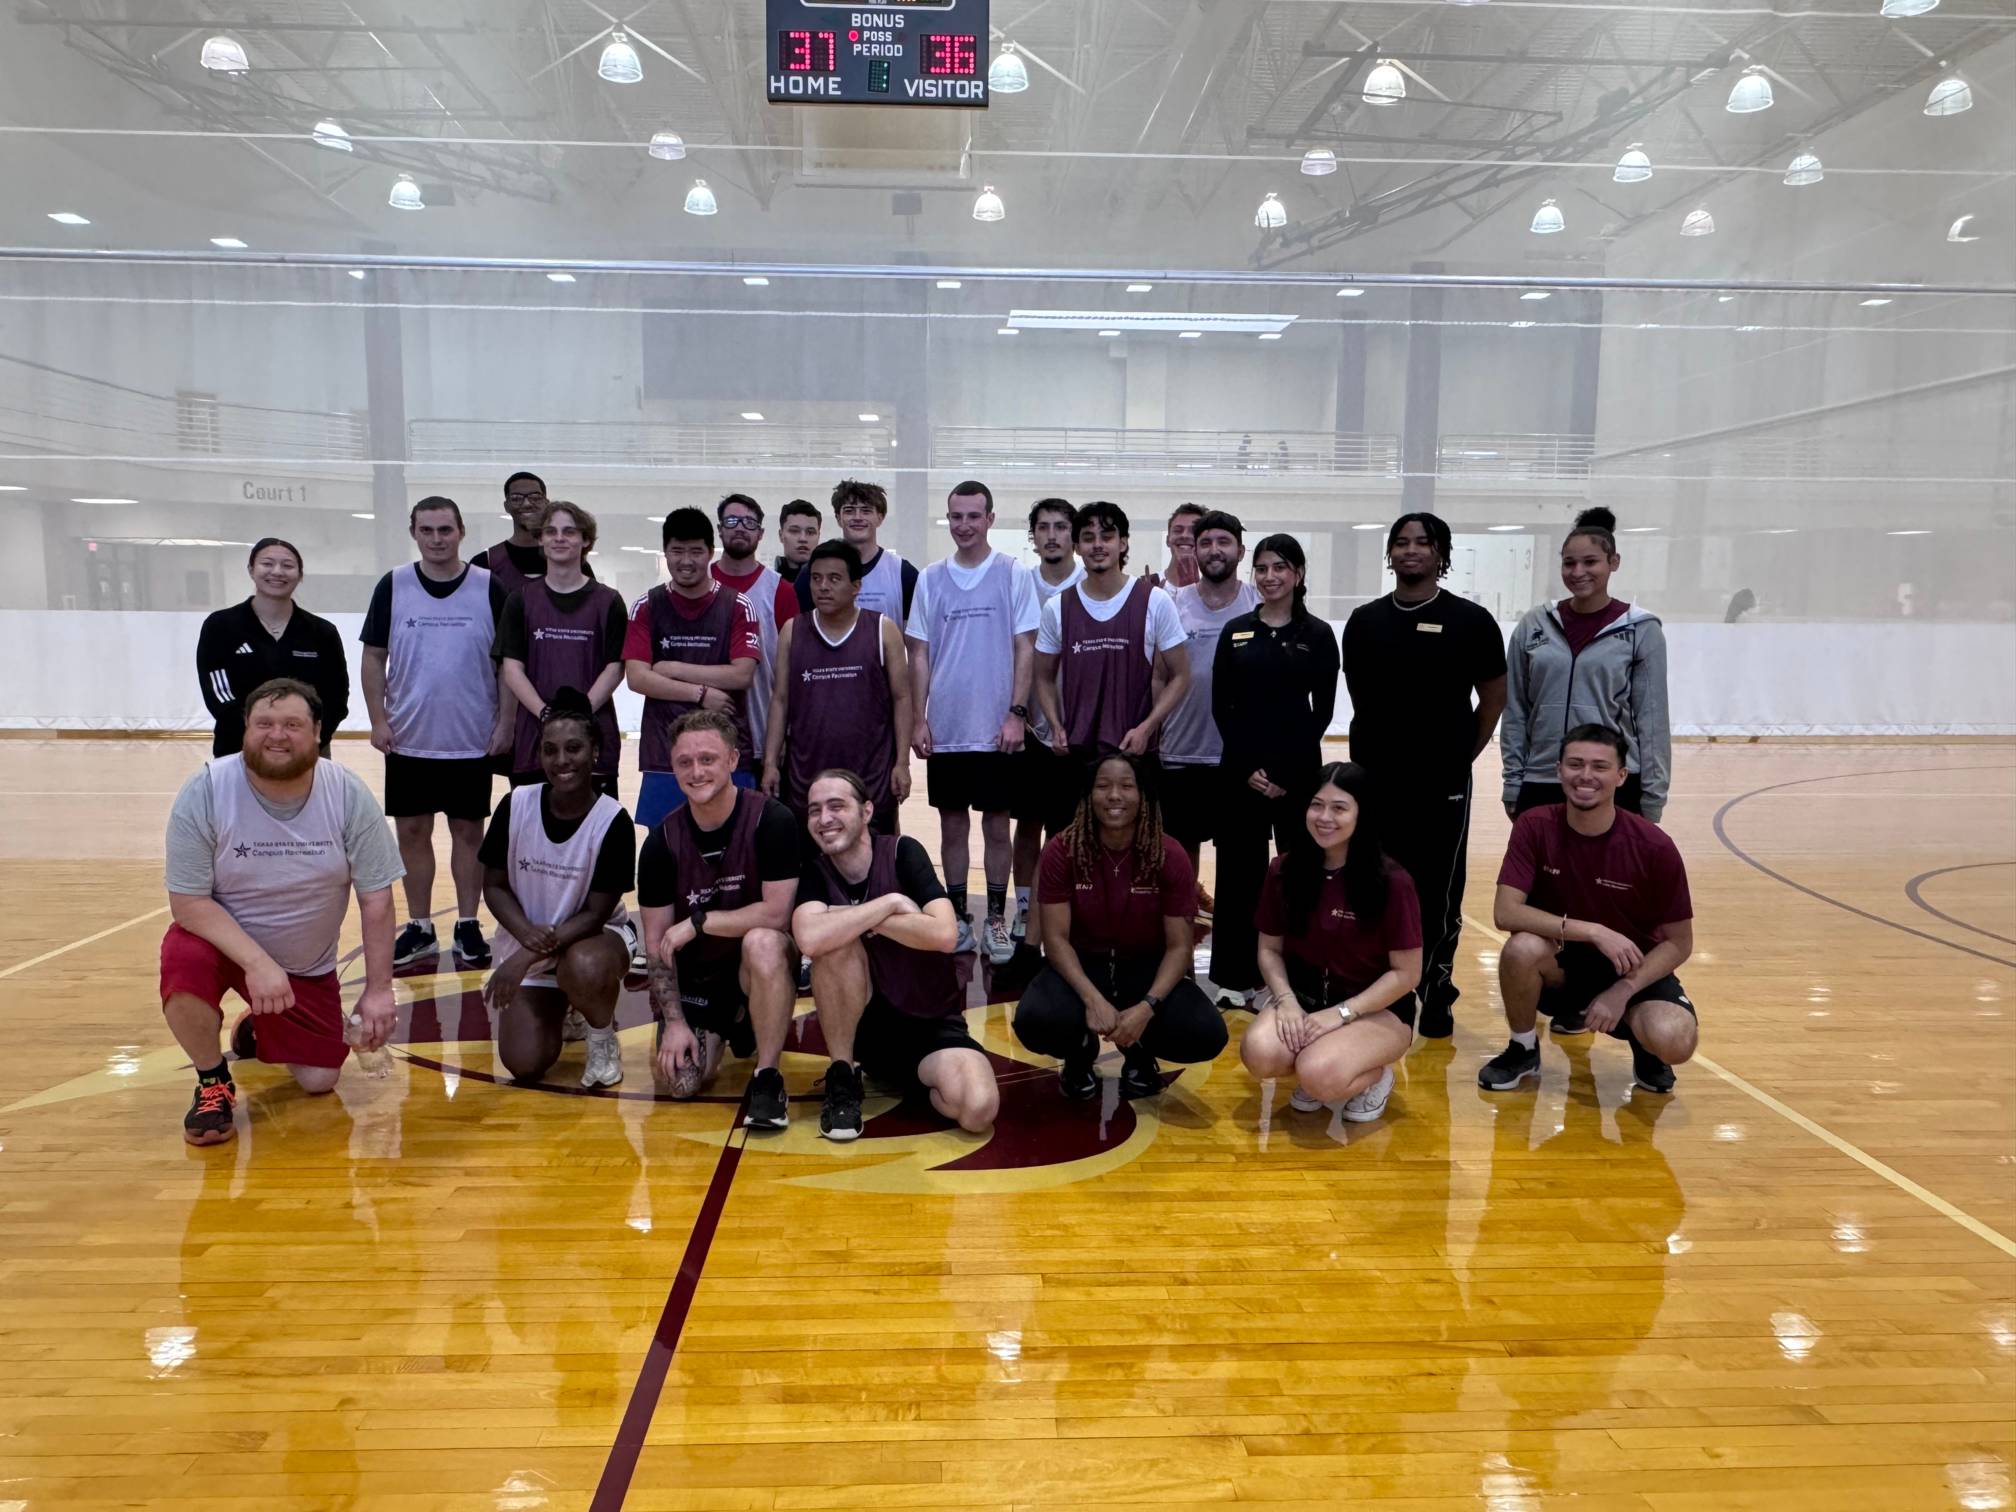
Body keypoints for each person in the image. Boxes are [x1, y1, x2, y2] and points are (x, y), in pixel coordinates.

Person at [160, 678, 402, 1146]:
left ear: (317, 732)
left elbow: (376, 898)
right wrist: (257, 963)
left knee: (319, 1079)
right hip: (225, 947)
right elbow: (188, 903)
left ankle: (259, 1023)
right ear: (245, 729)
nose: (277, 735)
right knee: (183, 956)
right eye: (264, 724)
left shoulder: (347, 793)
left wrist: (378, 991)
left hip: (302, 965)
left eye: (292, 724)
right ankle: (212, 1081)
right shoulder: (208, 790)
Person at [1342, 511, 1508, 1038]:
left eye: (1423, 542)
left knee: (1438, 892)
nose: (1410, 550)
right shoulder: (1364, 622)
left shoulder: (1471, 621)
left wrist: (1461, 756)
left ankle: (1436, 989)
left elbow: (1494, 697)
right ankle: (1382, 989)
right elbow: (1361, 697)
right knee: (1374, 884)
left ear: (1441, 554)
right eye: (1401, 542)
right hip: (1376, 783)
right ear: (1390, 553)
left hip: (1442, 786)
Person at [1479, 724, 1699, 1096]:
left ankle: (1645, 1045)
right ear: (1558, 770)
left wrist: (1624, 990)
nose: (1585, 776)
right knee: (1521, 948)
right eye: (1575, 764)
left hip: (1631, 966)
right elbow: (1506, 913)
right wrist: (1594, 931)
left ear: (1621, 775)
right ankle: (1523, 1049)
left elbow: (1679, 943)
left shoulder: (1654, 846)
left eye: (1600, 766)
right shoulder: (1534, 826)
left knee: (1675, 1040)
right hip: (1562, 964)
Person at [794, 769, 997, 1141]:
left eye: (836, 806)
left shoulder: (903, 852)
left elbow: (944, 933)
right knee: (835, 947)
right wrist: (888, 904)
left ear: (867, 811)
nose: (824, 819)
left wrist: (853, 917)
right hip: (864, 1033)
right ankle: (843, 1074)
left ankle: (920, 1079)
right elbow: (809, 937)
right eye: (814, 810)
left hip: (931, 1027)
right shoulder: (815, 871)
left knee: (978, 1109)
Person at [1011, 753, 1228, 1099]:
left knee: (1205, 1033)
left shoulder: (1169, 855)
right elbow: (1055, 940)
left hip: (1145, 968)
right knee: (1035, 1021)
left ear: (1142, 796)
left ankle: (1139, 1050)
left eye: (1126, 786)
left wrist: (1147, 1007)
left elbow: (1179, 947)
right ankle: (1080, 1051)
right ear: (1089, 796)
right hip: (1081, 967)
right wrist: (1092, 999)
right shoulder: (1062, 850)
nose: (1114, 795)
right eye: (1103, 786)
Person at [360, 496, 513, 969]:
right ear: (413, 533)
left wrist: (506, 722)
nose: (436, 539)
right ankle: (420, 926)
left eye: (445, 529)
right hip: (409, 737)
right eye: (426, 530)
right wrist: (378, 719)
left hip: (470, 738)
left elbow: (508, 664)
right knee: (411, 832)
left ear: (461, 531)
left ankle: (467, 924)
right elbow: (373, 657)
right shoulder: (394, 585)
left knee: (468, 832)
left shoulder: (489, 586)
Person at [636, 710, 801, 1124]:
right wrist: (674, 1022)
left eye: (707, 759)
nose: (696, 772)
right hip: (699, 981)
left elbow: (777, 914)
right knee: (682, 1083)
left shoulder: (772, 820)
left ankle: (767, 1075)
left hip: (755, 969)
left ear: (732, 759)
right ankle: (728, 1026)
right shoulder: (660, 843)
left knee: (763, 941)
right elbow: (656, 944)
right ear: (672, 767)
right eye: (685, 762)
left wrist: (699, 922)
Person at [1237, 762, 1422, 1123]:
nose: (1324, 818)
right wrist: (1287, 1001)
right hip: (1304, 999)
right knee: (1259, 1053)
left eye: (1339, 808)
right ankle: (1325, 1063)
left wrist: (1341, 1014)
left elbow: (1406, 974)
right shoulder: (1284, 870)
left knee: (1319, 1075)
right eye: (1316, 805)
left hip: (1375, 1008)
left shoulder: (1393, 881)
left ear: (1362, 814)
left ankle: (1374, 1075)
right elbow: (1269, 950)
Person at [906, 480, 1037, 965]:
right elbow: (919, 653)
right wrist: (919, 718)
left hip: (998, 729)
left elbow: (1026, 646)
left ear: (990, 519)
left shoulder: (1012, 573)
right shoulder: (930, 578)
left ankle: (996, 920)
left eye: (973, 516)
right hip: (947, 728)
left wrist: (1016, 713)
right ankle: (959, 916)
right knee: (952, 827)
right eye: (956, 516)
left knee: (998, 827)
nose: (964, 525)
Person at [478, 689, 637, 1089]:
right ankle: (567, 1007)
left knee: (583, 965)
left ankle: (601, 1036)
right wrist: (524, 936)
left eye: (573, 748)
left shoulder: (613, 821)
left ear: (595, 752)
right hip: (532, 939)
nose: (562, 760)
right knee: (524, 1063)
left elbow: (595, 915)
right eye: (550, 750)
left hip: (593, 940)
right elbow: (493, 885)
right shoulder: (516, 805)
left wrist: (522, 958)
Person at [1207, 534, 1340, 1007]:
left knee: (1299, 876)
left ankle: (1297, 979)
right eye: (1262, 568)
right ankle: (1233, 978)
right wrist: (1247, 767)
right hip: (1241, 774)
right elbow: (1222, 706)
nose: (1270, 577)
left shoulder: (1317, 635)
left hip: (1296, 776)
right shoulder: (1236, 631)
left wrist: (1285, 772)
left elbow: (1322, 711)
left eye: (1280, 567)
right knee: (1238, 876)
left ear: (1298, 574)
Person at [1502, 507, 1671, 824]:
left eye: (1590, 562)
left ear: (1614, 562)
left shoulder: (1641, 629)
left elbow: (1653, 722)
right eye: (1569, 563)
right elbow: (1515, 710)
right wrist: (1513, 781)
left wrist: (1653, 795)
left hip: (1612, 782)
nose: (1578, 572)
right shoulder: (1534, 624)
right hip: (1542, 777)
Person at [1031, 500, 1190, 806]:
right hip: (1077, 755)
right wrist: (1055, 725)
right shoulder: (1057, 607)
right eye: (1088, 538)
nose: (1098, 545)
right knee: (1071, 836)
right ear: (1077, 546)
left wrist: (1147, 728)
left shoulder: (1155, 601)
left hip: (1135, 753)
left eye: (1106, 536)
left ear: (1123, 543)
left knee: (1138, 838)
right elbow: (1043, 677)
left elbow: (1181, 675)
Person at [624, 507, 762, 830]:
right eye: (677, 551)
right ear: (665, 553)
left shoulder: (738, 605)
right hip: (664, 754)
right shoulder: (646, 606)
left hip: (727, 751)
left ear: (711, 553)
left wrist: (672, 668)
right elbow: (638, 677)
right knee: (666, 848)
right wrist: (700, 693)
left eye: (696, 551)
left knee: (735, 846)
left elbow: (741, 675)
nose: (686, 561)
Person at [763, 541, 913, 835]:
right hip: (807, 776)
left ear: (856, 586)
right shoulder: (792, 631)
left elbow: (902, 698)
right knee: (811, 859)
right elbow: (780, 700)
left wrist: (902, 763)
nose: (823, 587)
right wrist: (770, 762)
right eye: (816, 578)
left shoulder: (883, 629)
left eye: (834, 579)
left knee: (876, 856)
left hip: (872, 776)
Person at [1158, 509, 1257, 906]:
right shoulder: (1171, 603)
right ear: (1194, 550)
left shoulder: (1258, 602)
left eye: (1223, 542)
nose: (1214, 550)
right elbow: (1157, 676)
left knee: (1238, 857)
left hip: (1238, 758)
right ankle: (1181, 941)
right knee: (1180, 862)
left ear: (1240, 551)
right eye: (1206, 543)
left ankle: (1234, 944)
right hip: (1180, 753)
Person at [498, 501, 627, 798]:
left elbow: (615, 667)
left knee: (596, 825)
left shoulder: (609, 601)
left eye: (569, 531)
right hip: (534, 739)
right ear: (540, 539)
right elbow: (512, 669)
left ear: (585, 540)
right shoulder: (519, 600)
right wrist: (546, 715)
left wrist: (579, 716)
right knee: (532, 824)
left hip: (594, 735)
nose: (559, 538)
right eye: (551, 531)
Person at [195, 538, 349, 759]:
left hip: (306, 751)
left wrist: (312, 737)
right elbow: (219, 693)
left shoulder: (322, 632)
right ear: (251, 569)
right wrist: (256, 736)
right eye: (267, 564)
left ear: (300, 574)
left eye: (287, 565)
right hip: (238, 748)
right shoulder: (220, 626)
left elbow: (336, 696)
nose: (277, 572)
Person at [1010, 498, 1083, 950]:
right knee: (1028, 825)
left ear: (1073, 535)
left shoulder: (1090, 583)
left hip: (1080, 731)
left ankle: (1063, 912)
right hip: (1032, 728)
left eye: (1060, 527)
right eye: (1043, 527)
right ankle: (1024, 911)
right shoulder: (1020, 583)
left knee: (1070, 831)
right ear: (1033, 536)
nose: (1052, 535)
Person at [711, 494, 800, 773]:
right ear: (720, 529)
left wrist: (785, 734)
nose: (740, 527)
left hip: (763, 736)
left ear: (760, 534)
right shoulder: (700, 583)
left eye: (749, 523)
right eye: (732, 521)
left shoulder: (781, 590)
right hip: (705, 734)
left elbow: (793, 669)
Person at [792, 478, 917, 623]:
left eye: (866, 511)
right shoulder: (812, 573)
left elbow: (914, 634)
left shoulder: (903, 573)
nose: (858, 517)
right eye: (849, 511)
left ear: (880, 517)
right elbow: (800, 629)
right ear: (838, 518)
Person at [482, 470, 566, 596]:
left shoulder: (569, 558)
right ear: (506, 506)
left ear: (546, 503)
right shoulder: (486, 561)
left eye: (535, 497)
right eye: (516, 498)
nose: (527, 504)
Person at [1144, 502, 1205, 592]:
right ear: (1167, 540)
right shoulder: (1144, 586)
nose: (1184, 535)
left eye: (1194, 531)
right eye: (1178, 530)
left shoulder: (1213, 589)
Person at [775, 498, 822, 579]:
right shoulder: (766, 583)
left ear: (818, 536)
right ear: (781, 535)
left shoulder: (833, 585)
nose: (803, 539)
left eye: (810, 532)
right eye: (794, 531)